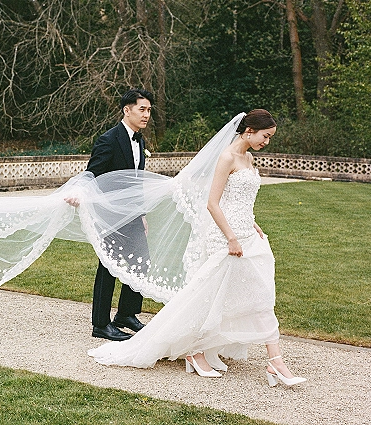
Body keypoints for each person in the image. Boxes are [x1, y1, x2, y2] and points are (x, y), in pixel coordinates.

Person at [87, 109, 307, 387]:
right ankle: (195, 351)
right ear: (249, 131)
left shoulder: (249, 158)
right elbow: (213, 203)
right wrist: (231, 238)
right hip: (225, 237)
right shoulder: (226, 157)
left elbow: (242, 200)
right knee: (207, 297)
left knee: (259, 295)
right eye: (266, 136)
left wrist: (252, 224)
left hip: (246, 234)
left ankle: (274, 362)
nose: (267, 142)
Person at [66, 88, 154, 341]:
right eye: (142, 109)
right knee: (109, 267)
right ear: (127, 110)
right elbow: (93, 172)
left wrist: (142, 214)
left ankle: (126, 314)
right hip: (109, 215)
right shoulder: (109, 139)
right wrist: (79, 191)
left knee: (142, 262)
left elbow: (135, 183)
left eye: (149, 110)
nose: (147, 114)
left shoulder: (140, 140)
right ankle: (101, 324)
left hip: (133, 216)